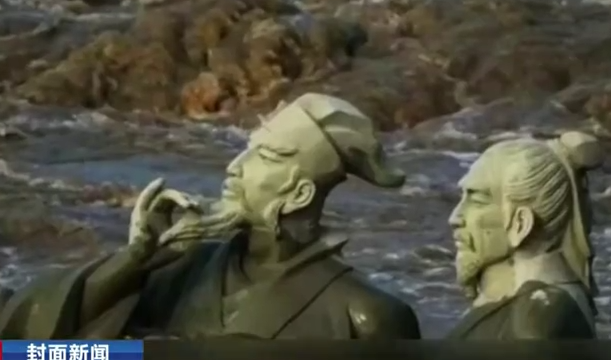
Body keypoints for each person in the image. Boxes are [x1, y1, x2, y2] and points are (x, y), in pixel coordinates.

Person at [0, 93, 421, 340]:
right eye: (247, 149)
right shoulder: (185, 267)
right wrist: (135, 261)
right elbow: (35, 346)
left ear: (299, 194)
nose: (235, 166)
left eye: (265, 156)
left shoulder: (365, 317)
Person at [446, 131, 601, 339]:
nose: (454, 218)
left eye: (477, 200)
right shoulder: (538, 306)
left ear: (521, 223)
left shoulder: (539, 317)